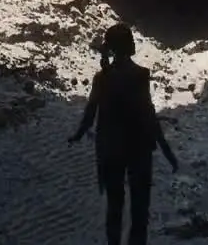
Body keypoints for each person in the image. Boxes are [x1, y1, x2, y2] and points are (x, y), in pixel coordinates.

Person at [68, 23, 178, 245]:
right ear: (128, 46)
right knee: (139, 210)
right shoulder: (140, 75)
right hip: (139, 147)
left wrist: (78, 134)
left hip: (111, 148)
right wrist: (166, 149)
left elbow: (91, 112)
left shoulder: (102, 77)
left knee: (114, 208)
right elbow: (149, 114)